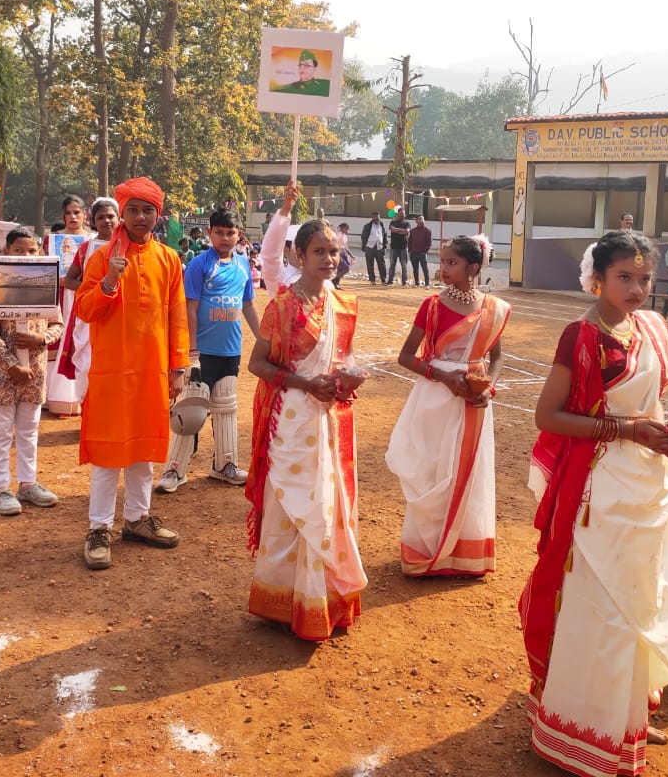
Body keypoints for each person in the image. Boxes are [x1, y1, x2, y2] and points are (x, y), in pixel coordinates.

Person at [520, 230, 668, 773]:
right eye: (624, 277)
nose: (636, 288)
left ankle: (629, 713)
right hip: (598, 486)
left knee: (641, 598)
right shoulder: (581, 335)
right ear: (597, 279)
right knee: (600, 603)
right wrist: (626, 430)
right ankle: (581, 726)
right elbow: (548, 416)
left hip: (648, 483)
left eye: (644, 278)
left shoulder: (653, 327)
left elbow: (653, 403)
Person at [245, 220, 367, 640]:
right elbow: (257, 364)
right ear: (299, 255)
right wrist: (304, 383)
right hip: (292, 419)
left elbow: (345, 356)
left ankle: (324, 596)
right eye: (319, 251)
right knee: (293, 503)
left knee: (329, 504)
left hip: (331, 417)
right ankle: (284, 600)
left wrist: (349, 378)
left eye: (333, 252)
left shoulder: (345, 304)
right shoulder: (281, 307)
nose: (329, 259)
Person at [76, 177, 190, 570]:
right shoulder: (101, 257)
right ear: (122, 214)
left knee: (144, 448)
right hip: (111, 372)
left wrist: (178, 366)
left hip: (152, 370)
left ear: (159, 215)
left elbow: (177, 316)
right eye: (133, 210)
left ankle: (137, 518)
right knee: (109, 453)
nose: (140, 217)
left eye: (148, 210)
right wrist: (110, 280)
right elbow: (84, 310)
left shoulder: (169, 259)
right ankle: (99, 527)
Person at [386, 235, 509, 576]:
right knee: (432, 469)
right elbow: (406, 357)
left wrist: (489, 387)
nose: (443, 268)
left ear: (473, 267)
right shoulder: (432, 306)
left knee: (469, 471)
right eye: (442, 262)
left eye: (452, 263)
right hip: (435, 398)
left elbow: (498, 358)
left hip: (474, 402)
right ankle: (426, 548)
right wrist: (443, 376)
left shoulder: (494, 309)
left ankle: (464, 555)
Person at [158, 208, 261, 493]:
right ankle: (174, 469)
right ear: (209, 233)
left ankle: (225, 465)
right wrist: (191, 350)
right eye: (219, 233)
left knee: (226, 408)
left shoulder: (243, 265)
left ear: (239, 235)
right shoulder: (199, 264)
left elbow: (248, 305)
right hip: (201, 351)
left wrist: (263, 339)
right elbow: (189, 308)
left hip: (230, 351)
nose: (225, 238)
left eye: (230, 233)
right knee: (192, 409)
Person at [0, 229, 64, 516]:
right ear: (7, 252)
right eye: (18, 250)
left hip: (35, 372)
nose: (26, 256)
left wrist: (41, 339)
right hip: (4, 374)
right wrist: (11, 365)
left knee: (29, 431)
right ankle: (0, 488)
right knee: (2, 432)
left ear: (39, 252)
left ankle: (27, 483)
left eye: (31, 251)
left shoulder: (46, 285)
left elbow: (57, 325)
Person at [52, 197, 118, 417]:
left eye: (110, 216)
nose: (106, 221)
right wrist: (94, 291)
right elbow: (70, 280)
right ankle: (90, 416)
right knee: (88, 366)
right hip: (89, 317)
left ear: (119, 218)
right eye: (101, 217)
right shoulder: (85, 248)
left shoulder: (128, 246)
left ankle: (111, 418)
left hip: (119, 316)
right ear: (93, 221)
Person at [43, 194, 94, 417]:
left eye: (77, 212)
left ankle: (82, 397)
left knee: (83, 341)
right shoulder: (52, 241)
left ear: (84, 214)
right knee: (59, 338)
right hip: (61, 296)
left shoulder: (93, 240)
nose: (73, 217)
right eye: (68, 213)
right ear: (63, 216)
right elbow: (43, 269)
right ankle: (58, 398)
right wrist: (58, 280)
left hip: (85, 295)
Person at [259, 182, 304, 292]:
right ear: (286, 249)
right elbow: (270, 254)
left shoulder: (324, 283)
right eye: (300, 247)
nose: (304, 253)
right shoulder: (280, 276)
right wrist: (286, 208)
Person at [386, 206, 412, 285]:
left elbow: (406, 231)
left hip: (403, 247)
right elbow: (392, 229)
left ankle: (404, 281)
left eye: (402, 213)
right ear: (397, 214)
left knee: (404, 265)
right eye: (400, 213)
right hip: (393, 247)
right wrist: (401, 230)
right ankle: (390, 280)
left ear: (405, 214)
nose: (401, 215)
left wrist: (396, 230)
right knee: (392, 264)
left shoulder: (407, 223)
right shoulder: (393, 222)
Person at [407, 214, 433, 288]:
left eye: (422, 219)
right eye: (419, 219)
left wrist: (425, 251)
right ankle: (417, 283)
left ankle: (427, 284)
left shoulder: (427, 230)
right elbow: (410, 241)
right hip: (413, 253)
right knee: (415, 269)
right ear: (416, 221)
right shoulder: (412, 231)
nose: (421, 221)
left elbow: (429, 242)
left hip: (422, 254)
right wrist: (410, 250)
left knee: (425, 269)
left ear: (424, 221)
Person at [361, 211, 387, 284]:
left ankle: (383, 280)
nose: (376, 219)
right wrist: (365, 246)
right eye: (375, 217)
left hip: (380, 247)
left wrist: (385, 246)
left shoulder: (382, 226)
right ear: (372, 218)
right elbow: (363, 237)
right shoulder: (367, 226)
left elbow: (385, 237)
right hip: (369, 247)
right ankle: (372, 280)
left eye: (378, 217)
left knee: (382, 265)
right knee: (370, 265)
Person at [332, 222, 354, 287]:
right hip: (339, 253)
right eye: (345, 229)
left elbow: (345, 247)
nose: (346, 231)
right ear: (341, 228)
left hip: (344, 253)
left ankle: (336, 283)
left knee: (340, 269)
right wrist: (337, 254)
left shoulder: (345, 236)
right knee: (346, 268)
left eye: (347, 229)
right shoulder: (338, 235)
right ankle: (334, 280)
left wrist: (351, 255)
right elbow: (335, 244)